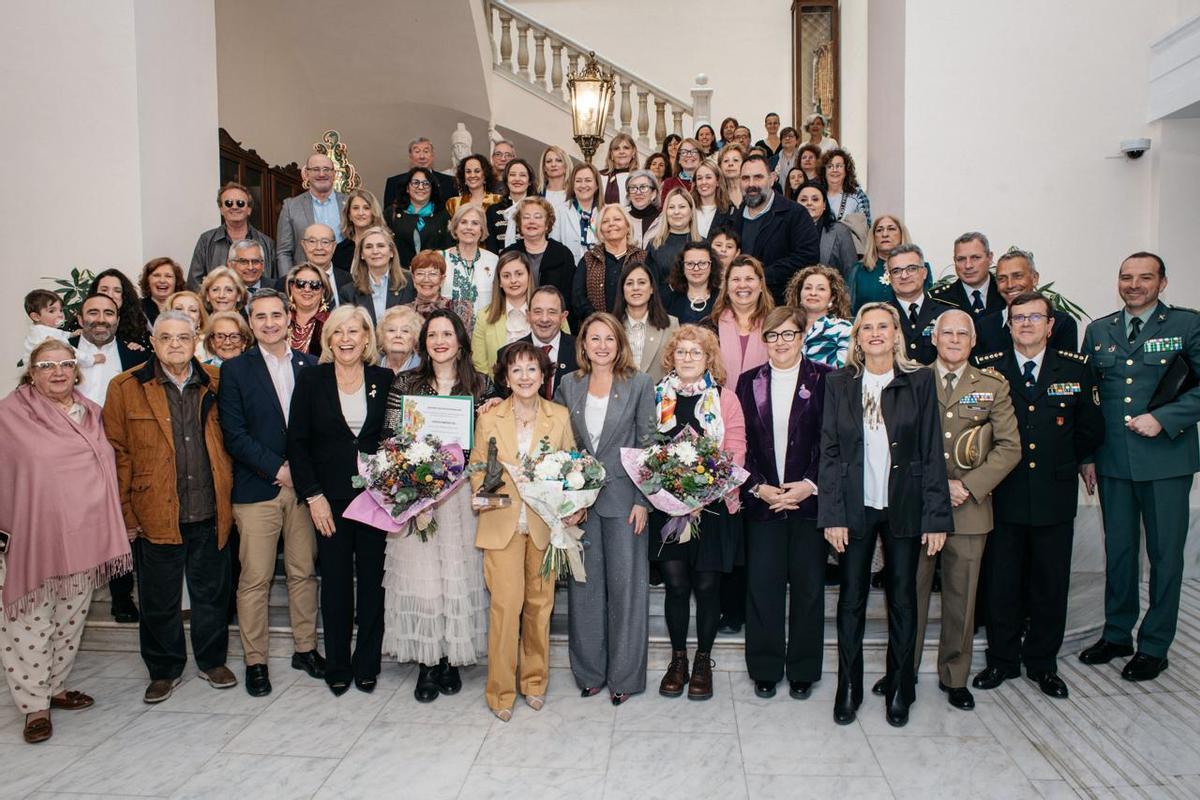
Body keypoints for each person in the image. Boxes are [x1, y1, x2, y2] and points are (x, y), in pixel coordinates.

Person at [819, 302, 953, 727]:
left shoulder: (919, 380)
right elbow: (829, 452)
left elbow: (932, 451)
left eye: (883, 326)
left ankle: (901, 686)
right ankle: (849, 687)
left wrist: (936, 517)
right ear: (856, 337)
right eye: (867, 327)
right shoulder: (839, 382)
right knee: (851, 601)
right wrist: (833, 514)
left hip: (905, 504)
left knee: (903, 600)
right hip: (856, 507)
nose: (875, 333)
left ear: (897, 334)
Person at [0, 341, 132, 743]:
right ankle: (34, 706)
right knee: (28, 624)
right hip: (31, 541)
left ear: (76, 370)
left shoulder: (91, 413)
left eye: (65, 364)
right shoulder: (9, 416)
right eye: (47, 365)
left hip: (82, 538)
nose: (57, 371)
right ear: (31, 372)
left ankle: (55, 687)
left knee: (70, 620)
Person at [974, 291, 1104, 699]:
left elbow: (1090, 427)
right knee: (1002, 582)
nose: (1026, 324)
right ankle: (1002, 660)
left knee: (1050, 582)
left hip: (1053, 490)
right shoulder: (988, 370)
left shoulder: (1077, 369)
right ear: (1008, 326)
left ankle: (1043, 663)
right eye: (1018, 318)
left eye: (1035, 317)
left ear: (1050, 325)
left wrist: (1080, 460)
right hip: (1004, 493)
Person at [103, 311, 237, 704]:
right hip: (155, 510)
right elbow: (117, 453)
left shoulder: (217, 381)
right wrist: (126, 514)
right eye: (166, 338)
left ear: (196, 339)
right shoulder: (126, 387)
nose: (175, 345)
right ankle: (164, 670)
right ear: (153, 342)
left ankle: (212, 661)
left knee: (211, 595)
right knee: (159, 600)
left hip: (210, 507)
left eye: (182, 337)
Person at [1078, 252, 1200, 682]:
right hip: (1112, 462)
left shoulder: (1187, 326)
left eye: (1145, 278)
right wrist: (1087, 455)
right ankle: (1117, 633)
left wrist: (1165, 419)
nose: (1134, 285)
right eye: (1127, 277)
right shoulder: (1099, 331)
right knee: (1122, 552)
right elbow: (1088, 400)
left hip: (1165, 460)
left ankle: (1155, 644)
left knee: (1165, 556)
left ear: (1162, 283)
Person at [904, 310, 1020, 711]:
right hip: (919, 507)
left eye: (961, 334)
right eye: (946, 332)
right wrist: (934, 487)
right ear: (934, 338)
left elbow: (1009, 447)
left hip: (969, 508)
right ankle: (904, 670)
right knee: (910, 595)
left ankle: (955, 676)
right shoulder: (913, 380)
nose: (953, 339)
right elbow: (899, 443)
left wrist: (966, 486)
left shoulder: (992, 386)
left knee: (961, 598)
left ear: (973, 342)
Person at [382, 309, 493, 702]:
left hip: (463, 497)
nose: (440, 341)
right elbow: (390, 438)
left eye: (447, 334)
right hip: (420, 497)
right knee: (424, 581)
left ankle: (450, 659)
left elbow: (491, 443)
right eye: (433, 335)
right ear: (423, 343)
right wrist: (413, 482)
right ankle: (428, 663)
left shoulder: (482, 385)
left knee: (459, 577)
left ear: (461, 340)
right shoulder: (406, 382)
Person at [216, 289, 322, 697]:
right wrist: (279, 469)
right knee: (256, 578)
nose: (270, 323)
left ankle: (305, 648)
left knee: (302, 573)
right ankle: (255, 660)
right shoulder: (235, 371)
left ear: (289, 316)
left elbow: (316, 428)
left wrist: (303, 473)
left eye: (277, 315)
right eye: (260, 317)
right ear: (250, 321)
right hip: (258, 489)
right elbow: (234, 435)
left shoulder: (309, 365)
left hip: (303, 491)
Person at [287, 304, 393, 695]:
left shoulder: (383, 378)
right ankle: (337, 663)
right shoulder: (312, 380)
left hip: (375, 500)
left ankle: (367, 663)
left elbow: (391, 440)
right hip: (327, 500)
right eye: (339, 332)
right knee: (334, 582)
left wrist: (393, 491)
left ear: (367, 338)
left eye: (354, 332)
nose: (346, 339)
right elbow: (297, 443)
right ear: (328, 338)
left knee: (372, 584)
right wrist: (312, 496)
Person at [554, 312, 656, 705]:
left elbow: (648, 443)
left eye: (608, 339)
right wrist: (565, 500)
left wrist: (643, 500)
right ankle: (590, 672)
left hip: (626, 503)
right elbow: (561, 445)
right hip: (581, 505)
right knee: (585, 589)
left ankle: (625, 678)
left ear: (620, 344)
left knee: (627, 591)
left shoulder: (639, 383)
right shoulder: (569, 384)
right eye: (593, 339)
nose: (601, 346)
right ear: (583, 345)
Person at [470, 342, 574, 720]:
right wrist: (489, 492)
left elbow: (571, 468)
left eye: (533, 369)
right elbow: (477, 468)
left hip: (544, 526)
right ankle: (500, 691)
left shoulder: (559, 416)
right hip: (503, 525)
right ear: (505, 377)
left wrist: (571, 507)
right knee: (505, 607)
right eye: (517, 370)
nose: (525, 377)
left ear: (544, 375)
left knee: (539, 607)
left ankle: (534, 682)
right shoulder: (490, 417)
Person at [735, 307, 831, 701]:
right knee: (763, 588)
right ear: (765, 340)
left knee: (809, 590)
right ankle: (765, 667)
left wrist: (809, 485)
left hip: (808, 503)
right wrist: (758, 487)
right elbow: (740, 445)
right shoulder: (747, 381)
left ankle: (804, 669)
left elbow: (833, 441)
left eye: (788, 334)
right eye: (773, 336)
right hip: (764, 504)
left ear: (802, 335)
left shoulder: (826, 379)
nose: (781, 343)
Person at [650, 324, 746, 701]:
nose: (687, 358)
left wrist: (705, 491)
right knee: (676, 586)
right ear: (671, 357)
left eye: (696, 352)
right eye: (681, 352)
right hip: (666, 507)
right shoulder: (656, 396)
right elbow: (646, 447)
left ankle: (703, 660)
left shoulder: (725, 398)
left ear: (709, 359)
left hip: (714, 506)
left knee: (707, 587)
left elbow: (736, 449)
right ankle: (678, 660)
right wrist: (669, 491)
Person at [736, 155, 820, 305]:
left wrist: (761, 276)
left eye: (758, 177)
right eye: (745, 178)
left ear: (772, 178)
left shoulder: (795, 214)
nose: (751, 184)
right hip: (741, 305)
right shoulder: (733, 219)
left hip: (781, 309)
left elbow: (807, 257)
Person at [973, 248, 1078, 356]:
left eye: (1017, 276)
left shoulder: (1062, 324)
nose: (1010, 285)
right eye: (1002, 279)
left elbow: (1067, 370)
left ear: (1035, 278)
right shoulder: (984, 327)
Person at [188, 182, 276, 288]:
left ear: (249, 210)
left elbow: (274, 283)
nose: (234, 207)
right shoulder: (206, 240)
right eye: (228, 203)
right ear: (221, 209)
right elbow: (194, 283)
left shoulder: (266, 242)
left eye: (240, 203)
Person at [502, 198, 577, 322]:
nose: (531, 221)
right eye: (526, 217)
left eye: (537, 217)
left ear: (547, 224)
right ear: (519, 224)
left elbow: (568, 298)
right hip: (515, 320)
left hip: (552, 322)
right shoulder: (509, 254)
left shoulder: (563, 254)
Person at [496, 286, 577, 399]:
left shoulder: (581, 350)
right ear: (528, 316)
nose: (544, 319)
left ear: (563, 317)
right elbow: (503, 400)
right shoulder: (507, 354)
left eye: (552, 312)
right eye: (538, 312)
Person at [573, 204, 647, 322]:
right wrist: (599, 321)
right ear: (600, 230)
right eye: (605, 221)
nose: (611, 224)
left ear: (628, 227)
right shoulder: (589, 259)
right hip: (597, 327)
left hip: (635, 327)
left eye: (617, 219)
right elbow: (578, 297)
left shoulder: (643, 258)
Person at [277, 152, 347, 274]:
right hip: (305, 282)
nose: (321, 174)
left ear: (334, 174)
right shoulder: (291, 206)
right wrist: (288, 282)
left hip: (345, 279)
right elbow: (284, 252)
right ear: (306, 174)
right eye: (316, 169)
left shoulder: (350, 203)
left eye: (326, 169)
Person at [887, 243, 957, 364]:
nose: (904, 276)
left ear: (924, 272)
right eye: (896, 271)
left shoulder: (946, 314)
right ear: (890, 277)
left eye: (912, 268)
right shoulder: (882, 314)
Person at [710, 254, 774, 385]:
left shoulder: (776, 325)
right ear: (727, 287)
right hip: (718, 402)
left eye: (749, 279)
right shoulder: (710, 326)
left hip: (765, 403)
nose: (742, 285)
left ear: (761, 285)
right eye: (736, 279)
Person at [472, 251, 536, 375]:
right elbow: (479, 366)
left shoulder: (549, 311)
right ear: (500, 282)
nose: (513, 280)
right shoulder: (484, 316)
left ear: (529, 275)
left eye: (519, 274)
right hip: (498, 391)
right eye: (506, 276)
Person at [614, 261, 678, 381]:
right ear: (622, 290)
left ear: (652, 289)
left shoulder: (671, 324)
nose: (635, 288)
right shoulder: (611, 326)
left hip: (659, 397)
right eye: (629, 283)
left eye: (642, 282)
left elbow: (677, 367)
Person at [338, 226, 416, 325]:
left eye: (381, 246)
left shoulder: (410, 283)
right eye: (369, 247)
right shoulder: (348, 292)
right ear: (362, 254)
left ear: (391, 252)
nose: (375, 251)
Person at [440, 204, 498, 333]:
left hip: (484, 332)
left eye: (475, 223)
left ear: (482, 229)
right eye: (463, 222)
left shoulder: (494, 260)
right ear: (455, 227)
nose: (469, 228)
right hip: (448, 332)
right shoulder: (441, 259)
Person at [785, 264, 854, 367]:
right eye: (808, 288)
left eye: (821, 289)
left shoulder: (843, 329)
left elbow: (844, 372)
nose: (813, 293)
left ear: (832, 298)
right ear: (799, 294)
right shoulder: (785, 328)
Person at [388, 165, 453, 269]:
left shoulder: (443, 214)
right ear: (407, 188)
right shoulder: (392, 213)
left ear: (432, 189)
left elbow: (449, 248)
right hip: (400, 276)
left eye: (426, 183)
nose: (421, 187)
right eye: (415, 183)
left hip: (433, 276)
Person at [849, 214, 917, 311]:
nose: (885, 234)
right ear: (873, 237)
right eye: (879, 230)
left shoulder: (918, 269)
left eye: (891, 229)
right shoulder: (858, 270)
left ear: (902, 234)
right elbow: (847, 310)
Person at [931, 232, 1005, 317]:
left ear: (990, 258)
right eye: (961, 259)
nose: (968, 265)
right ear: (954, 261)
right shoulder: (938, 300)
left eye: (975, 258)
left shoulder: (1007, 292)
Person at [795, 181, 858, 282]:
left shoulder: (840, 231)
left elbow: (851, 272)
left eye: (815, 199)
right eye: (803, 200)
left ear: (824, 205)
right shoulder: (786, 231)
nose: (809, 203)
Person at [21, 290, 100, 369]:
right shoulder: (47, 336)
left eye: (61, 310)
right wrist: (92, 359)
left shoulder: (38, 330)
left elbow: (59, 333)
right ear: (36, 316)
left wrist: (71, 334)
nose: (60, 315)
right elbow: (69, 351)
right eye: (52, 311)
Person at [383, 137, 458, 213]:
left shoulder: (450, 182)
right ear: (410, 156)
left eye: (426, 151)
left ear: (432, 155)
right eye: (417, 151)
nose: (422, 156)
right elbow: (388, 217)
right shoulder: (394, 183)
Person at [646, 187, 700, 283]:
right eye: (671, 207)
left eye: (682, 207)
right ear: (665, 212)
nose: (676, 212)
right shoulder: (653, 244)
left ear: (691, 211)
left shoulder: (702, 244)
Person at [552, 162, 602, 264]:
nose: (583, 185)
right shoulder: (559, 212)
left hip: (598, 273)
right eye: (578, 181)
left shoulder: (605, 213)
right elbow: (554, 248)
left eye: (588, 180)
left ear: (597, 185)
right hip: (568, 272)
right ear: (573, 185)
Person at [663, 241, 722, 325]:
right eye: (690, 264)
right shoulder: (668, 301)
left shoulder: (722, 300)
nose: (696, 269)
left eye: (702, 263)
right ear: (682, 267)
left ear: (712, 266)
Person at [89, 269, 150, 348]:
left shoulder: (138, 322)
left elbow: (150, 354)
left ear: (124, 296)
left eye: (117, 291)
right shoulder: (81, 321)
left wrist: (139, 350)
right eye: (104, 290)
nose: (110, 295)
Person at [332, 189, 387, 275]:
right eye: (355, 208)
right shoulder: (340, 250)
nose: (361, 213)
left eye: (366, 208)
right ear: (349, 215)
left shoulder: (386, 245)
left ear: (373, 213)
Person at [485, 158, 535, 252]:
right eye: (512, 175)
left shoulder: (538, 209)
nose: (517, 179)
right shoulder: (493, 210)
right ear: (506, 180)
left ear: (529, 181)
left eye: (522, 175)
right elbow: (491, 248)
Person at [285, 264, 332, 358]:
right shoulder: (281, 319)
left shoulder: (332, 322)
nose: (307, 289)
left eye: (314, 285)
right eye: (300, 283)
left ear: (323, 290)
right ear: (291, 287)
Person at [298, 224, 349, 309]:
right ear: (303, 245)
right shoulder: (288, 283)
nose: (319, 247)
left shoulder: (349, 281)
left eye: (325, 242)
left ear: (334, 247)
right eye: (312, 241)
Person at [822, 149, 871, 228]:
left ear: (846, 170)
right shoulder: (817, 194)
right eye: (830, 166)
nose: (834, 170)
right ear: (824, 171)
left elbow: (865, 227)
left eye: (839, 166)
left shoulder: (858, 195)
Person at [403, 249, 453, 320]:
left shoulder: (457, 309)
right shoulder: (403, 312)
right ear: (413, 278)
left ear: (442, 279)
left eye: (433, 274)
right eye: (420, 273)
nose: (426, 280)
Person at [692, 160, 735, 240]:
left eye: (708, 177)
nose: (703, 182)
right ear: (695, 183)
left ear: (718, 182)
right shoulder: (688, 207)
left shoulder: (729, 210)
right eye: (699, 178)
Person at [166, 290, 211, 362]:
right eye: (179, 309)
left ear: (200, 318)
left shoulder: (210, 343)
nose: (185, 314)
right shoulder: (161, 343)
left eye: (193, 310)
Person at [140, 257, 186, 326]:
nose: (162, 280)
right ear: (147, 281)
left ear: (176, 281)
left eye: (168, 276)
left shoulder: (185, 307)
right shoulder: (138, 308)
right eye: (156, 275)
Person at [377, 305, 423, 373]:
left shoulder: (425, 370)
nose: (398, 335)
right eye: (391, 330)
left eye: (405, 331)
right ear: (382, 336)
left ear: (415, 338)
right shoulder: (369, 367)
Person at [599, 133, 638, 206]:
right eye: (616, 149)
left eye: (626, 148)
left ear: (633, 152)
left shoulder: (639, 178)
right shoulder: (599, 176)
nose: (621, 152)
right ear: (611, 154)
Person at [625, 169, 662, 244]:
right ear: (629, 195)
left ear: (653, 194)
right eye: (633, 188)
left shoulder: (663, 220)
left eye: (643, 187)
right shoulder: (623, 220)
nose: (638, 192)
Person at [538, 145, 571, 209]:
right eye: (549, 161)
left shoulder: (575, 194)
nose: (553, 164)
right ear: (544, 167)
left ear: (566, 166)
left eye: (558, 160)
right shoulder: (537, 195)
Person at [717, 144, 746, 208]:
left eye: (735, 160)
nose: (730, 164)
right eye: (726, 161)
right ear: (720, 166)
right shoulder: (716, 195)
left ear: (744, 164)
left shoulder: (753, 191)